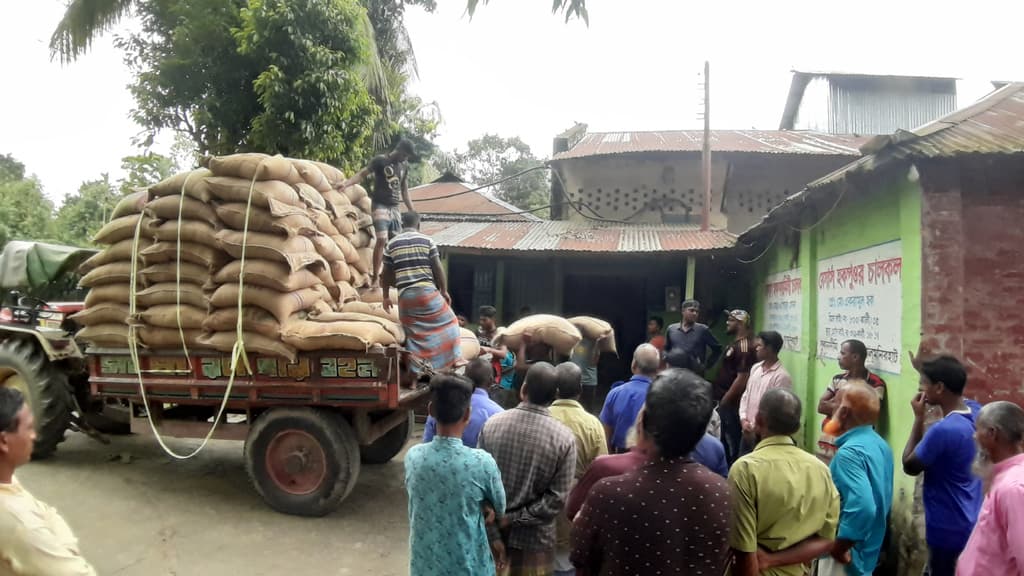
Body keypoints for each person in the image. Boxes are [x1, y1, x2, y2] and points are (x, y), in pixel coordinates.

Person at [571, 369, 732, 576]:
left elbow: (580, 557)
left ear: (643, 422)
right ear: (701, 432)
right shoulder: (719, 493)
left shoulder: (609, 493)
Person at [478, 363, 577, 576]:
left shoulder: (491, 425)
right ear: (555, 395)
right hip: (535, 543)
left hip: (490, 537)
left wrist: (497, 528)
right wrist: (513, 518)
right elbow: (556, 500)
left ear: (523, 389)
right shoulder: (564, 439)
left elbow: (478, 484)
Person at [730, 388, 840, 576]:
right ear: (796, 428)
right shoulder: (820, 470)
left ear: (758, 420)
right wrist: (777, 560)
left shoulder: (746, 470)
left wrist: (769, 560)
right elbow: (827, 540)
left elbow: (744, 552)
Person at [405, 375, 507, 576]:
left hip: (425, 565)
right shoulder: (482, 463)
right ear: (468, 414)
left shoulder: (413, 457)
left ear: (431, 411)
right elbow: (500, 507)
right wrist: (486, 505)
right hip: (468, 566)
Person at [0, 387, 97, 575]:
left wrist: (59, 547)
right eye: (28, 427)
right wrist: (64, 551)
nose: (34, 435)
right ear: (4, 441)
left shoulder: (5, 480)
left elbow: (47, 512)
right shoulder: (18, 524)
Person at [902, 355, 983, 576]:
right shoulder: (976, 412)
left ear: (939, 387)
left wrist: (918, 418)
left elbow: (909, 465)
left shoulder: (943, 430)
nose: (921, 389)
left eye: (925, 384)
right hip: (971, 519)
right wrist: (927, 369)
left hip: (946, 528)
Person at [817, 381, 894, 576]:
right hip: (867, 555)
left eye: (835, 402)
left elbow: (864, 506)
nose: (830, 406)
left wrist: (840, 547)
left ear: (843, 413)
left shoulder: (848, 454)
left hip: (845, 559)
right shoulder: (880, 445)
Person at [381, 211, 461, 374]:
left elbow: (386, 274)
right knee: (451, 322)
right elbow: (437, 268)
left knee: (414, 333)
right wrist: (444, 291)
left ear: (402, 225)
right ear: (418, 225)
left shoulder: (391, 244)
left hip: (405, 297)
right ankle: (455, 359)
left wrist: (385, 297)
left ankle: (416, 371)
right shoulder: (427, 241)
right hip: (426, 293)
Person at [548, 363, 607, 576]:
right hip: (574, 513)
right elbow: (601, 473)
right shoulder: (592, 425)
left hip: (538, 517)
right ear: (580, 391)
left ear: (554, 390)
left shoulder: (540, 418)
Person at [957, 401, 1024, 576]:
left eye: (977, 429)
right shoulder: (1004, 476)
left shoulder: (1013, 488)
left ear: (992, 433)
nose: (974, 436)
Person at [341, 139, 416, 285]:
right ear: (399, 149)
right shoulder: (380, 160)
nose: (406, 158)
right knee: (381, 239)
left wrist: (412, 210)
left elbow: (404, 191)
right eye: (405, 155)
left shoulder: (404, 166)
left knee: (395, 244)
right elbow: (363, 174)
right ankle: (375, 277)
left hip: (395, 208)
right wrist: (345, 184)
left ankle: (390, 278)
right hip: (380, 204)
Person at [817, 339, 887, 463]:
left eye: (843, 353)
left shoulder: (875, 383)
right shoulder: (837, 379)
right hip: (830, 440)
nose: (839, 357)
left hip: (854, 443)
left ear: (855, 357)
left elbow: (870, 415)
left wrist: (834, 404)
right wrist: (850, 407)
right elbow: (821, 406)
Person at [422, 358, 504, 448]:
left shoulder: (442, 403)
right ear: (491, 381)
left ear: (464, 376)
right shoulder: (499, 415)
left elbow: (427, 443)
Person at [738, 331, 793, 455]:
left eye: (760, 345)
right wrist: (743, 420)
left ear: (769, 349)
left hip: (763, 435)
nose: (756, 348)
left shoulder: (781, 376)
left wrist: (756, 427)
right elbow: (746, 395)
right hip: (747, 429)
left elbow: (776, 410)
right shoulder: (756, 368)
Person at [598, 343, 659, 453]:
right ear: (657, 370)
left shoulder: (615, 393)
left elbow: (606, 436)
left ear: (634, 365)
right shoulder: (661, 397)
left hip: (619, 456)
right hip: (650, 460)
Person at [716, 309, 758, 463]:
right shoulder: (737, 343)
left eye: (731, 320)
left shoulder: (744, 347)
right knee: (724, 438)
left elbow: (742, 378)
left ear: (740, 323)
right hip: (725, 401)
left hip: (733, 404)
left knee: (733, 440)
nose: (727, 323)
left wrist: (725, 402)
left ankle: (734, 470)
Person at [663, 299, 722, 375]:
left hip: (695, 375)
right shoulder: (671, 329)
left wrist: (706, 366)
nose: (695, 313)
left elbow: (717, 349)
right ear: (683, 311)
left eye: (697, 312)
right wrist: (668, 364)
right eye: (691, 310)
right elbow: (666, 349)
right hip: (675, 375)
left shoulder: (702, 330)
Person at [568, 334, 601, 413]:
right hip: (574, 379)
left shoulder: (594, 342)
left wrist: (596, 345)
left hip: (589, 381)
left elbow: (593, 362)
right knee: (573, 408)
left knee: (588, 409)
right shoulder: (573, 339)